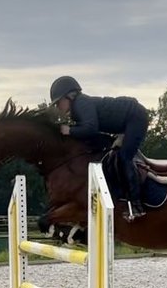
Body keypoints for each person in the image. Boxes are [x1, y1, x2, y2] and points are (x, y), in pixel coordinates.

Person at [50, 75, 151, 220]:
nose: (57, 107)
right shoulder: (78, 107)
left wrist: (69, 131)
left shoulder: (81, 104)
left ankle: (136, 205)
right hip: (125, 123)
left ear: (69, 96)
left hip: (135, 117)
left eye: (58, 102)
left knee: (124, 157)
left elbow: (91, 129)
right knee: (110, 155)